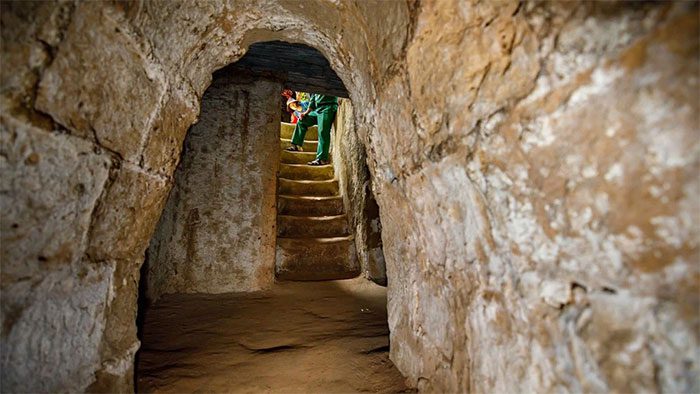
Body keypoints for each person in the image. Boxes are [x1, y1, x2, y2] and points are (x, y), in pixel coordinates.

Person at [285, 93, 338, 166]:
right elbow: (313, 99)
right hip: (317, 109)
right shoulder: (315, 87)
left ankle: (322, 159)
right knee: (302, 121)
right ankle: (296, 145)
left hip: (328, 107)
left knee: (323, 131)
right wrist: (306, 113)